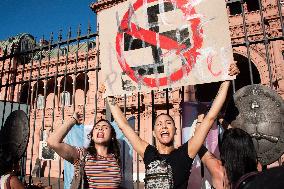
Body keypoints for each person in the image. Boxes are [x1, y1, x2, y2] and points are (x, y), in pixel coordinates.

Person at [107, 63, 239, 189]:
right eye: (159, 124)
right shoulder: (148, 152)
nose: (163, 126)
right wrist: (109, 96)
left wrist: (227, 79)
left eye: (168, 123)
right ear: (154, 132)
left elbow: (210, 118)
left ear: (175, 130)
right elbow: (124, 126)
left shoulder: (186, 152)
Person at [47, 113, 122, 188]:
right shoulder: (82, 154)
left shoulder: (115, 157)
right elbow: (52, 141)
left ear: (112, 136)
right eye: (96, 127)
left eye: (105, 127)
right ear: (92, 137)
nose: (100, 128)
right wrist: (73, 120)